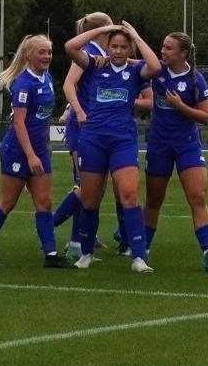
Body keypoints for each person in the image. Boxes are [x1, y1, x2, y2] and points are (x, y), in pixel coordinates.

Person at [64, 21, 160, 272]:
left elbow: (156, 66)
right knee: (90, 199)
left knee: (130, 194)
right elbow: (70, 46)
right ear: (107, 46)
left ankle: (138, 257)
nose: (117, 51)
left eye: (123, 46)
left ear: (129, 49)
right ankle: (85, 253)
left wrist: (136, 36)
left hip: (123, 141)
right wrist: (101, 31)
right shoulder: (95, 64)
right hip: (93, 139)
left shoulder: (136, 70)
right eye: (113, 46)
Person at [0, 34, 75, 268]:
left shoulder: (47, 78)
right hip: (18, 151)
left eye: (49, 51)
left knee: (44, 202)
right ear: (28, 55)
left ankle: (50, 256)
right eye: (42, 52)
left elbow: (42, 119)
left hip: (38, 150)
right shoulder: (23, 84)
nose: (47, 56)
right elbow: (19, 123)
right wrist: (30, 154)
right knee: (8, 202)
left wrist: (44, 145)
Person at [143, 32, 208, 271]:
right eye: (162, 46)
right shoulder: (156, 71)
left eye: (169, 48)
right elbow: (131, 63)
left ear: (183, 54)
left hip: (187, 145)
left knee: (197, 196)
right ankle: (143, 249)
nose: (163, 51)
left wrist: (180, 106)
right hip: (159, 145)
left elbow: (206, 117)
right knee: (154, 199)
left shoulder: (195, 79)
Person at [52, 12, 117, 260]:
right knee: (88, 188)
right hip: (83, 128)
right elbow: (69, 84)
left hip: (93, 127)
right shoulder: (87, 51)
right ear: (103, 31)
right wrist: (77, 110)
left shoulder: (99, 54)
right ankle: (55, 229)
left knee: (93, 189)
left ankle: (79, 239)